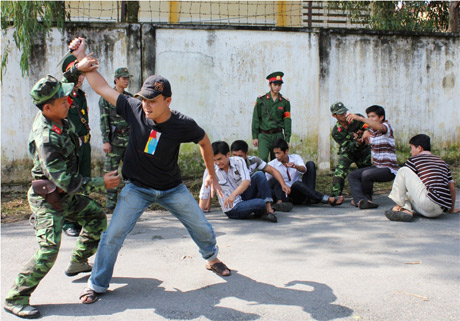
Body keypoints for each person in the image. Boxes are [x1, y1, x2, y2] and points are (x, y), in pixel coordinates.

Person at [69, 37, 230, 304]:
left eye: (153, 100)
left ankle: (211, 258)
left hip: (172, 188)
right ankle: (97, 284)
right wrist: (81, 58)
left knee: (201, 227)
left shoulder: (182, 124)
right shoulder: (134, 109)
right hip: (137, 188)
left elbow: (203, 141)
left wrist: (211, 173)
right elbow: (102, 87)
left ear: (168, 100)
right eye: (144, 98)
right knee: (113, 235)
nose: (146, 104)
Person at [3, 75, 120, 319]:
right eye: (62, 99)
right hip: (48, 198)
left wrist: (76, 69)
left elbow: (67, 85)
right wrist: (102, 183)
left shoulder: (56, 117)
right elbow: (64, 180)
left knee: (96, 218)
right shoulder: (47, 138)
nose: (68, 101)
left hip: (64, 194)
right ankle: (16, 297)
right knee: (48, 251)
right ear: (47, 107)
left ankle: (78, 261)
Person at [385, 134, 459, 222]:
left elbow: (402, 180)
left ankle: (399, 206)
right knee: (408, 195)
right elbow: (452, 186)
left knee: (403, 170)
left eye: (411, 148)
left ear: (419, 148)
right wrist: (451, 209)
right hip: (439, 210)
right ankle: (407, 211)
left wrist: (398, 202)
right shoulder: (443, 162)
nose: (410, 152)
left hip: (427, 202)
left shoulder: (413, 160)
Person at [199, 141, 277, 223]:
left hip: (243, 195)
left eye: (219, 159)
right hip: (232, 207)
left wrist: (233, 195)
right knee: (260, 202)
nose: (217, 163)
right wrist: (199, 215)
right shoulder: (210, 170)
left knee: (259, 174)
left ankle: (269, 210)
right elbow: (204, 192)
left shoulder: (239, 161)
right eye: (214, 160)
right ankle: (260, 210)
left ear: (228, 155)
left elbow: (246, 180)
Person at [61, 55, 91, 237]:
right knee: (70, 182)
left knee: (85, 179)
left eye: (83, 74)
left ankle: (83, 217)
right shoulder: (65, 94)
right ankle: (68, 222)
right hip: (70, 146)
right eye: (77, 73)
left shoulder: (81, 96)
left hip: (84, 143)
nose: (80, 78)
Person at [347, 105, 399, 209]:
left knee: (367, 174)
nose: (370, 119)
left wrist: (360, 118)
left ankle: (367, 200)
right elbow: (365, 140)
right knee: (352, 175)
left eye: (372, 117)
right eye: (368, 117)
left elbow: (380, 127)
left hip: (389, 169)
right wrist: (360, 138)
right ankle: (360, 200)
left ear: (381, 118)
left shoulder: (386, 127)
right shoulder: (372, 133)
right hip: (377, 167)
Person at [267, 138, 343, 207]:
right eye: (275, 153)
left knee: (310, 164)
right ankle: (326, 199)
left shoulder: (295, 158)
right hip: (289, 195)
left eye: (278, 153)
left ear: (286, 151)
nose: (276, 156)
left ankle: (310, 197)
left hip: (302, 190)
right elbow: (269, 182)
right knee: (295, 184)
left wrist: (296, 166)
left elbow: (304, 169)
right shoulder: (272, 165)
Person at [99, 67, 133, 212]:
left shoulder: (130, 98)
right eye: (123, 78)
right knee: (111, 173)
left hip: (129, 139)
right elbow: (104, 120)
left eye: (127, 78)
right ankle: (110, 205)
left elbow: (134, 119)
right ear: (116, 79)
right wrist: (105, 140)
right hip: (114, 140)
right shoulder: (106, 98)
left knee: (131, 173)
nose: (126, 81)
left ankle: (130, 203)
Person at [230, 140, 293, 212]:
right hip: (238, 195)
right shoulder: (227, 164)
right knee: (259, 174)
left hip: (251, 192)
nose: (237, 159)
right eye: (234, 155)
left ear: (246, 154)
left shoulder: (253, 160)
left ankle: (278, 203)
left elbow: (272, 170)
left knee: (273, 179)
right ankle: (270, 207)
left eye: (240, 156)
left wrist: (283, 185)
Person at [330, 102, 371, 199]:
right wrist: (357, 141)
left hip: (363, 151)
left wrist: (366, 131)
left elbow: (369, 126)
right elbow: (348, 146)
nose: (344, 115)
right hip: (349, 152)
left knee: (367, 174)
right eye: (340, 113)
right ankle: (335, 197)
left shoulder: (356, 118)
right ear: (334, 115)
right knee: (339, 171)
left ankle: (365, 197)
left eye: (345, 112)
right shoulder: (336, 132)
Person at [252, 71, 291, 162]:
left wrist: (287, 138)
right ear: (270, 85)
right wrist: (255, 136)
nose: (277, 87)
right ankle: (262, 176)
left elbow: (287, 120)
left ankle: (275, 176)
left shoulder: (285, 102)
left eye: (279, 85)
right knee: (263, 159)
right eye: (275, 84)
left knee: (277, 161)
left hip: (278, 135)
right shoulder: (261, 100)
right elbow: (256, 118)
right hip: (263, 135)